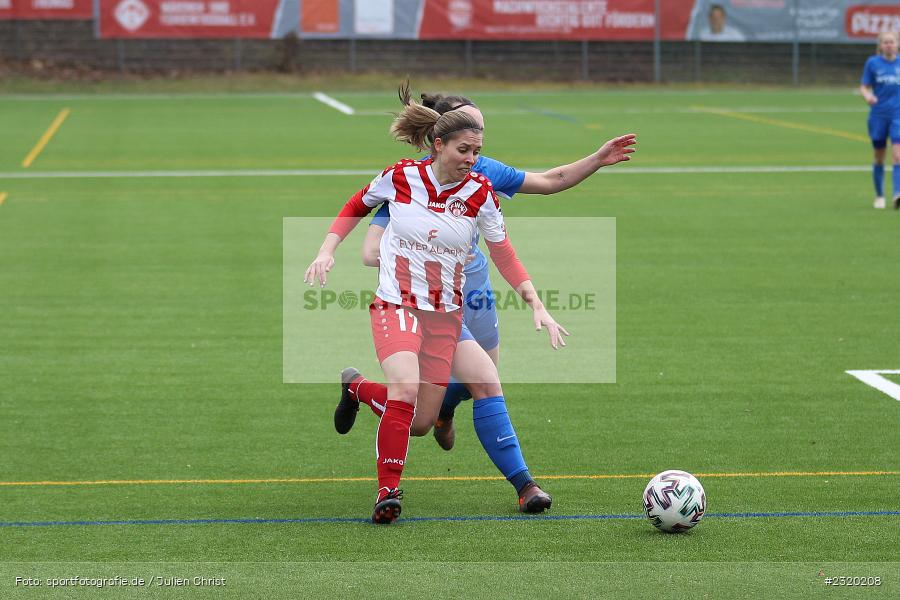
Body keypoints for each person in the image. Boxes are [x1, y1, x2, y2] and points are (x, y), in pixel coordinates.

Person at [333, 90, 635, 513]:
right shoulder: (409, 183)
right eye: (468, 138)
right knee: (428, 405)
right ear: (440, 138)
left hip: (471, 302)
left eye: (480, 138)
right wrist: (421, 258)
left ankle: (497, 460)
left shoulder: (483, 173)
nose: (474, 152)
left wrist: (597, 159)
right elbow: (369, 250)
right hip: (417, 303)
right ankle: (378, 403)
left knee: (479, 384)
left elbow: (552, 182)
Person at [305, 84, 568, 524]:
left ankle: (357, 388)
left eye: (477, 151)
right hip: (396, 306)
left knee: (437, 411)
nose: (471, 159)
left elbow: (504, 254)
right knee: (405, 390)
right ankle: (389, 492)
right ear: (439, 144)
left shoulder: (481, 193)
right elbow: (357, 203)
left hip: (445, 317)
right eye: (464, 150)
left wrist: (536, 303)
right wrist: (326, 249)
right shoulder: (401, 177)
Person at [860, 30, 900, 209]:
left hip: (898, 115)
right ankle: (879, 195)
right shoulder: (873, 63)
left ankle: (897, 194)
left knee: (898, 155)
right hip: (878, 116)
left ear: (897, 44)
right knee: (879, 157)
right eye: (886, 42)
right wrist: (868, 96)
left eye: (892, 42)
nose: (889, 45)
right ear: (880, 45)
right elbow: (864, 86)